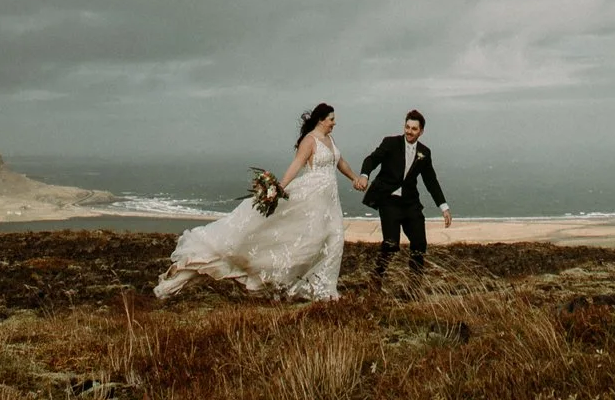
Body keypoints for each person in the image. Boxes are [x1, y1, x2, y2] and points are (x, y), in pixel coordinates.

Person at [153, 101, 369, 301]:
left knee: (334, 239)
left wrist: (355, 179)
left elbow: (340, 162)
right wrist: (279, 188)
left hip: (329, 201)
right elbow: (296, 165)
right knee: (305, 241)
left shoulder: (330, 140)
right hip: (310, 197)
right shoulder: (309, 141)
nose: (335, 122)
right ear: (321, 120)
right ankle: (302, 285)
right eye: (331, 118)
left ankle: (324, 288)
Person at [359, 108, 450, 279]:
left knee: (419, 245)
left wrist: (444, 207)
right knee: (391, 243)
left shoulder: (425, 152)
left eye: (414, 129)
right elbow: (371, 159)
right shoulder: (390, 143)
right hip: (389, 200)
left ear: (421, 131)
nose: (409, 131)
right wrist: (364, 175)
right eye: (407, 127)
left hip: (410, 203)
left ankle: (415, 287)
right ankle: (376, 278)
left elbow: (431, 181)